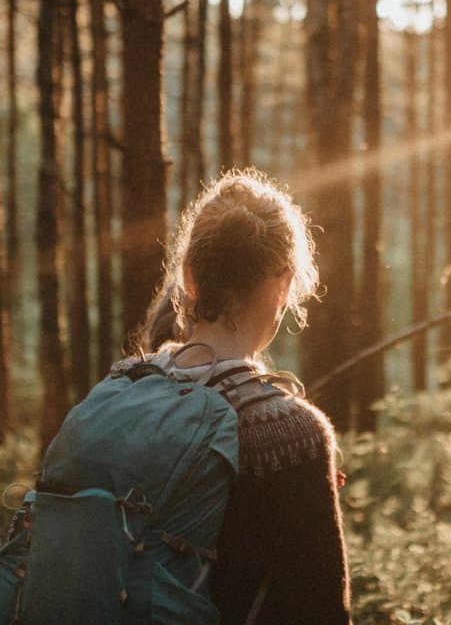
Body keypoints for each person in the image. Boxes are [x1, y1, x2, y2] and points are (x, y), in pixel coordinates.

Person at [138, 169, 351, 625]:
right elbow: (322, 611)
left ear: (190, 279)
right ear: (283, 285)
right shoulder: (289, 432)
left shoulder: (127, 390)